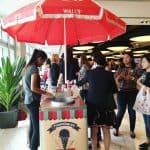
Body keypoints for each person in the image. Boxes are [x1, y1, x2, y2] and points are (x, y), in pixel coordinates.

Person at [77, 52, 117, 150]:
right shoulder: (109, 74)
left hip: (92, 105)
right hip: (106, 105)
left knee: (94, 131)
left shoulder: (90, 73)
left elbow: (80, 83)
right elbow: (114, 90)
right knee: (106, 131)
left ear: (94, 61)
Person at [23, 49, 53, 150]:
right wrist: (46, 93)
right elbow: (33, 88)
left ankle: (32, 146)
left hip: (28, 100)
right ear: (39, 58)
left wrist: (42, 91)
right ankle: (34, 147)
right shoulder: (34, 69)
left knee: (32, 125)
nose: (43, 63)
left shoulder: (28, 67)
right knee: (37, 128)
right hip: (32, 101)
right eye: (43, 61)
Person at [113, 52, 139, 138]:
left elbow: (140, 80)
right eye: (124, 58)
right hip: (122, 92)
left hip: (133, 92)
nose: (125, 59)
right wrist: (118, 78)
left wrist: (131, 78)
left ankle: (132, 130)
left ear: (131, 58)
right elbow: (115, 80)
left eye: (127, 57)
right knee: (120, 111)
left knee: (132, 112)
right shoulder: (120, 68)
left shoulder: (136, 68)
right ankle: (116, 128)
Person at [136, 53, 150, 150]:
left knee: (149, 122)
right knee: (146, 122)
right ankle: (148, 141)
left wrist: (144, 87)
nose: (142, 63)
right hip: (145, 101)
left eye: (144, 61)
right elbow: (138, 85)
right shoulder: (145, 73)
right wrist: (140, 84)